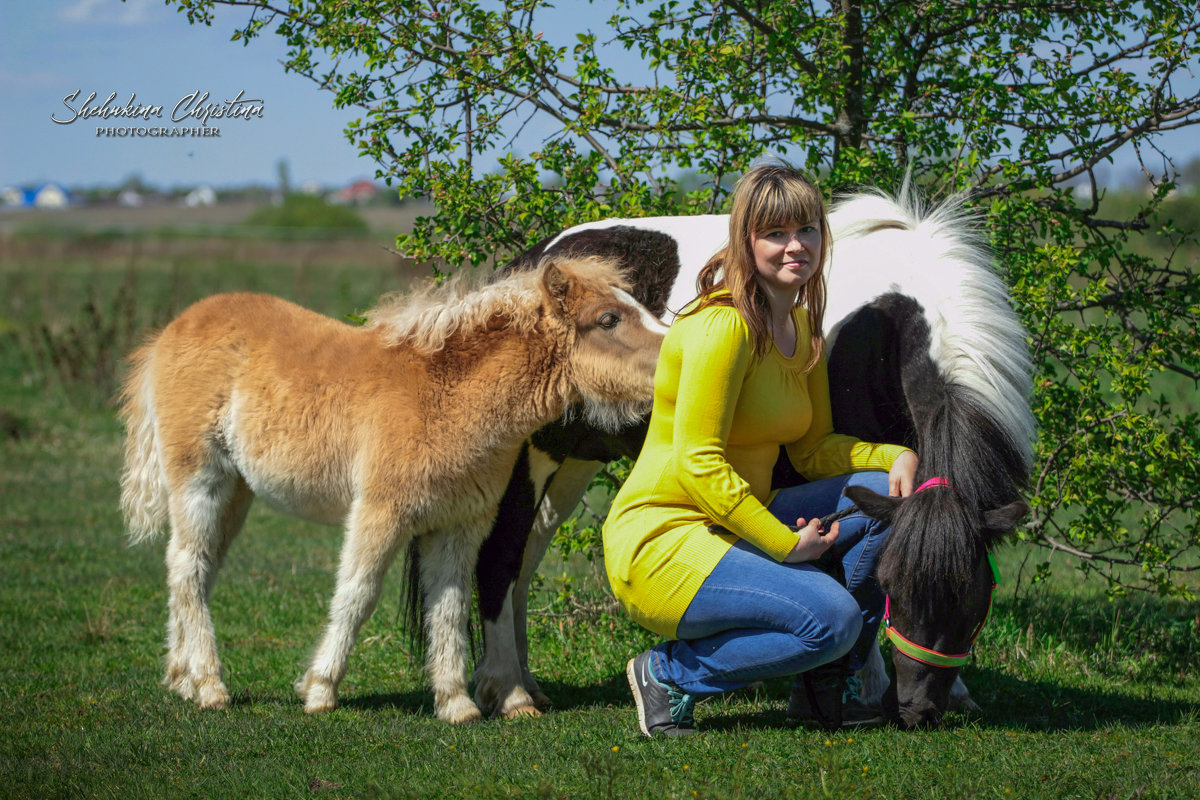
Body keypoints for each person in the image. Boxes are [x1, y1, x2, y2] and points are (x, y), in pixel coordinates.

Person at [602, 162, 918, 738]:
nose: (796, 246)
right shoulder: (723, 326)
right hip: (667, 537)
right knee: (832, 619)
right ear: (745, 241)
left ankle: (825, 688)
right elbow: (697, 462)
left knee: (885, 500)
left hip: (739, 521)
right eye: (775, 233)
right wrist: (784, 545)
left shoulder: (801, 325)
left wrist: (892, 456)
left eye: (808, 230)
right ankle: (668, 674)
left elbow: (815, 449)